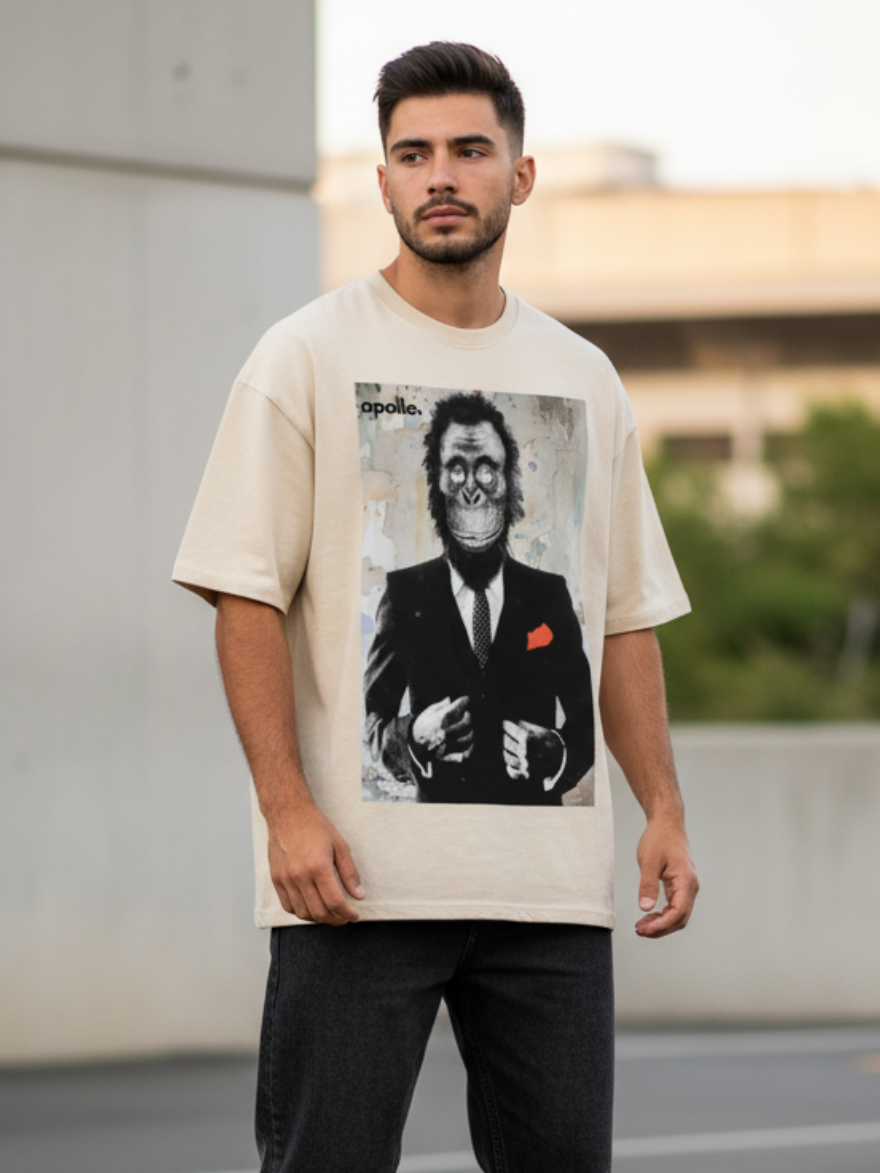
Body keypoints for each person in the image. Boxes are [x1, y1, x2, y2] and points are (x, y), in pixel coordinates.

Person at [174, 41, 699, 1173]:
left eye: (469, 149)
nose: (439, 175)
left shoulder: (584, 378)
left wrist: (660, 805)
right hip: (353, 887)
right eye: (411, 154)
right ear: (382, 183)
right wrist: (286, 810)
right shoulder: (304, 355)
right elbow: (242, 594)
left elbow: (625, 619)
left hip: (551, 896)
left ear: (520, 174)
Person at [363, 389, 595, 805]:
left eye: (486, 470)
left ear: (509, 483)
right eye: (456, 470)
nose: (471, 490)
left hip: (532, 841)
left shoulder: (549, 595)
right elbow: (370, 725)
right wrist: (413, 736)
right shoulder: (402, 595)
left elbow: (589, 719)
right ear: (437, 483)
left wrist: (556, 754)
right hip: (435, 844)